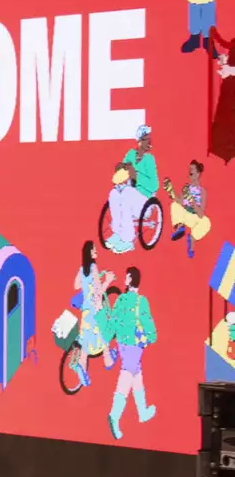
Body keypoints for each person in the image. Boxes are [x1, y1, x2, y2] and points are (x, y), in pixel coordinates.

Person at [102, 269, 157, 441]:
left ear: (131, 279)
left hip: (122, 343)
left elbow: (112, 323)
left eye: (126, 276)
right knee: (127, 375)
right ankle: (114, 415)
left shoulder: (120, 300)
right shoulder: (141, 301)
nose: (124, 279)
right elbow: (148, 323)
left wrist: (106, 336)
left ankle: (142, 411)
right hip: (135, 343)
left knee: (136, 374)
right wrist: (152, 337)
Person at [70, 240, 115, 388]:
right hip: (95, 308)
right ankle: (107, 360)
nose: (97, 251)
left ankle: (85, 365)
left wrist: (86, 285)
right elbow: (98, 292)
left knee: (86, 337)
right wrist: (107, 281)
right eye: (94, 249)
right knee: (103, 331)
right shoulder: (94, 267)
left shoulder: (82, 268)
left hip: (86, 309)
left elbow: (76, 285)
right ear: (89, 252)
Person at [106, 125, 158, 253]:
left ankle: (128, 240)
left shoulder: (149, 160)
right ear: (139, 141)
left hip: (144, 201)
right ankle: (118, 233)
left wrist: (137, 176)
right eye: (146, 139)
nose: (149, 142)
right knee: (114, 193)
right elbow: (121, 170)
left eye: (149, 139)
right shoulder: (130, 154)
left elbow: (154, 185)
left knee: (127, 192)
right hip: (128, 195)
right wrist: (122, 168)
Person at [164, 160, 211, 257]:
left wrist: (193, 202)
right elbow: (180, 202)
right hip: (185, 215)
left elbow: (201, 214)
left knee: (206, 222)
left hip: (195, 217)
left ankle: (192, 240)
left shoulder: (202, 191)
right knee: (174, 205)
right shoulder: (186, 187)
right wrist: (171, 192)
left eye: (192, 169)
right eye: (189, 169)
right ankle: (180, 228)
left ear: (198, 173)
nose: (190, 171)